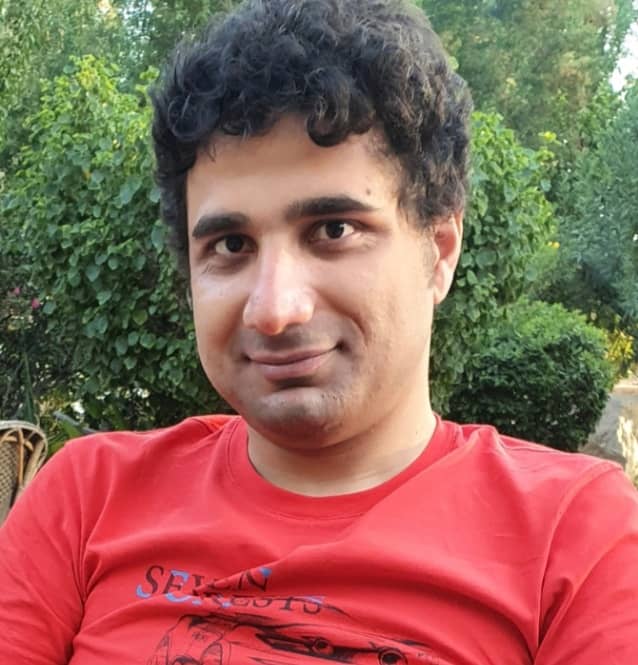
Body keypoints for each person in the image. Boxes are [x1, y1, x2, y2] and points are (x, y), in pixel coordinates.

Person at [1, 0, 637, 663]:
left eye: (334, 230)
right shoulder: (87, 498)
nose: (275, 310)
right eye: (230, 245)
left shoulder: (574, 538)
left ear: (440, 249)